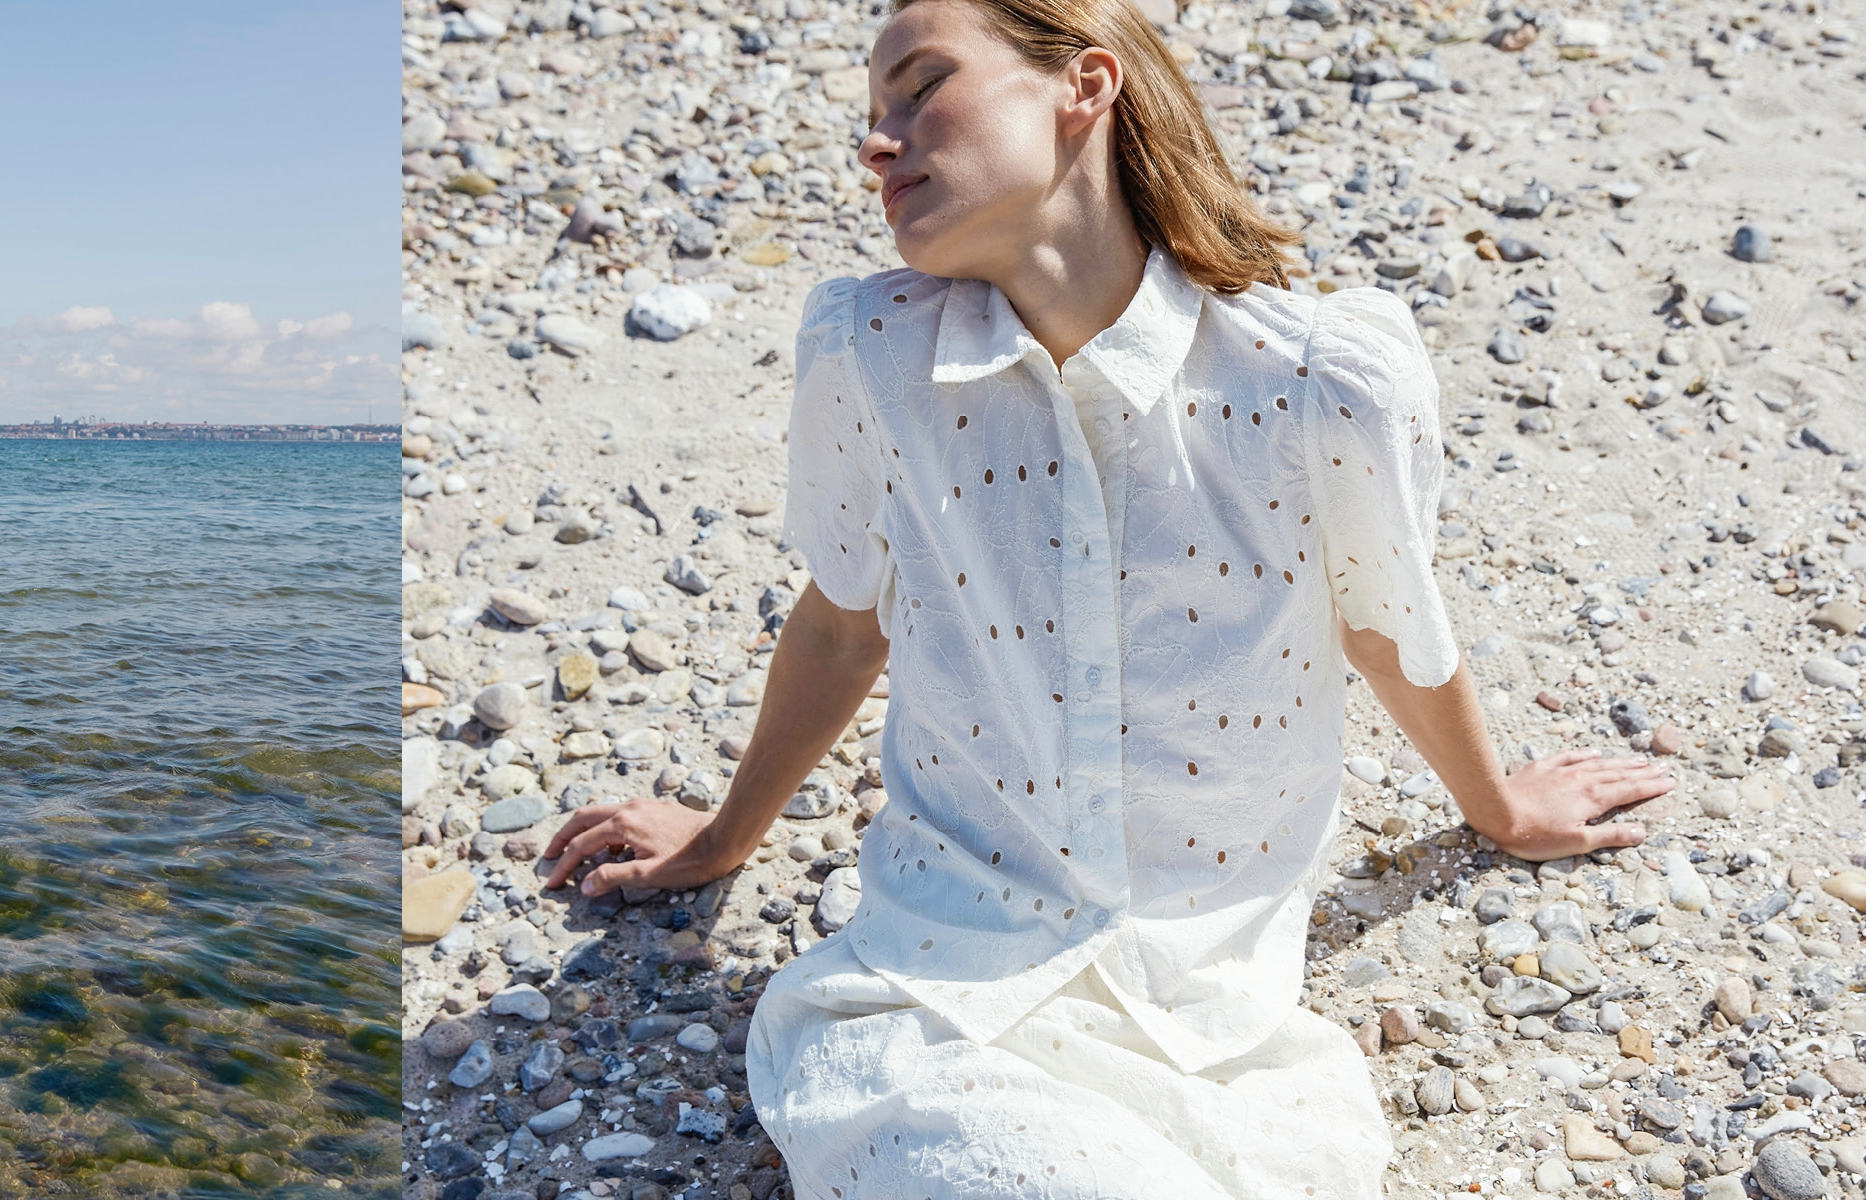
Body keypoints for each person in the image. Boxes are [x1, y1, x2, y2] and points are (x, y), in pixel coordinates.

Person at [536, 0, 1675, 1195]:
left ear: (1084, 85)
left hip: (1210, 1004)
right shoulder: (870, 357)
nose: (879, 140)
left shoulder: (1315, 382)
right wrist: (722, 840)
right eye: (872, 116)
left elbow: (1388, 625)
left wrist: (1498, 811)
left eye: (921, 86)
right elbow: (842, 621)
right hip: (939, 982)